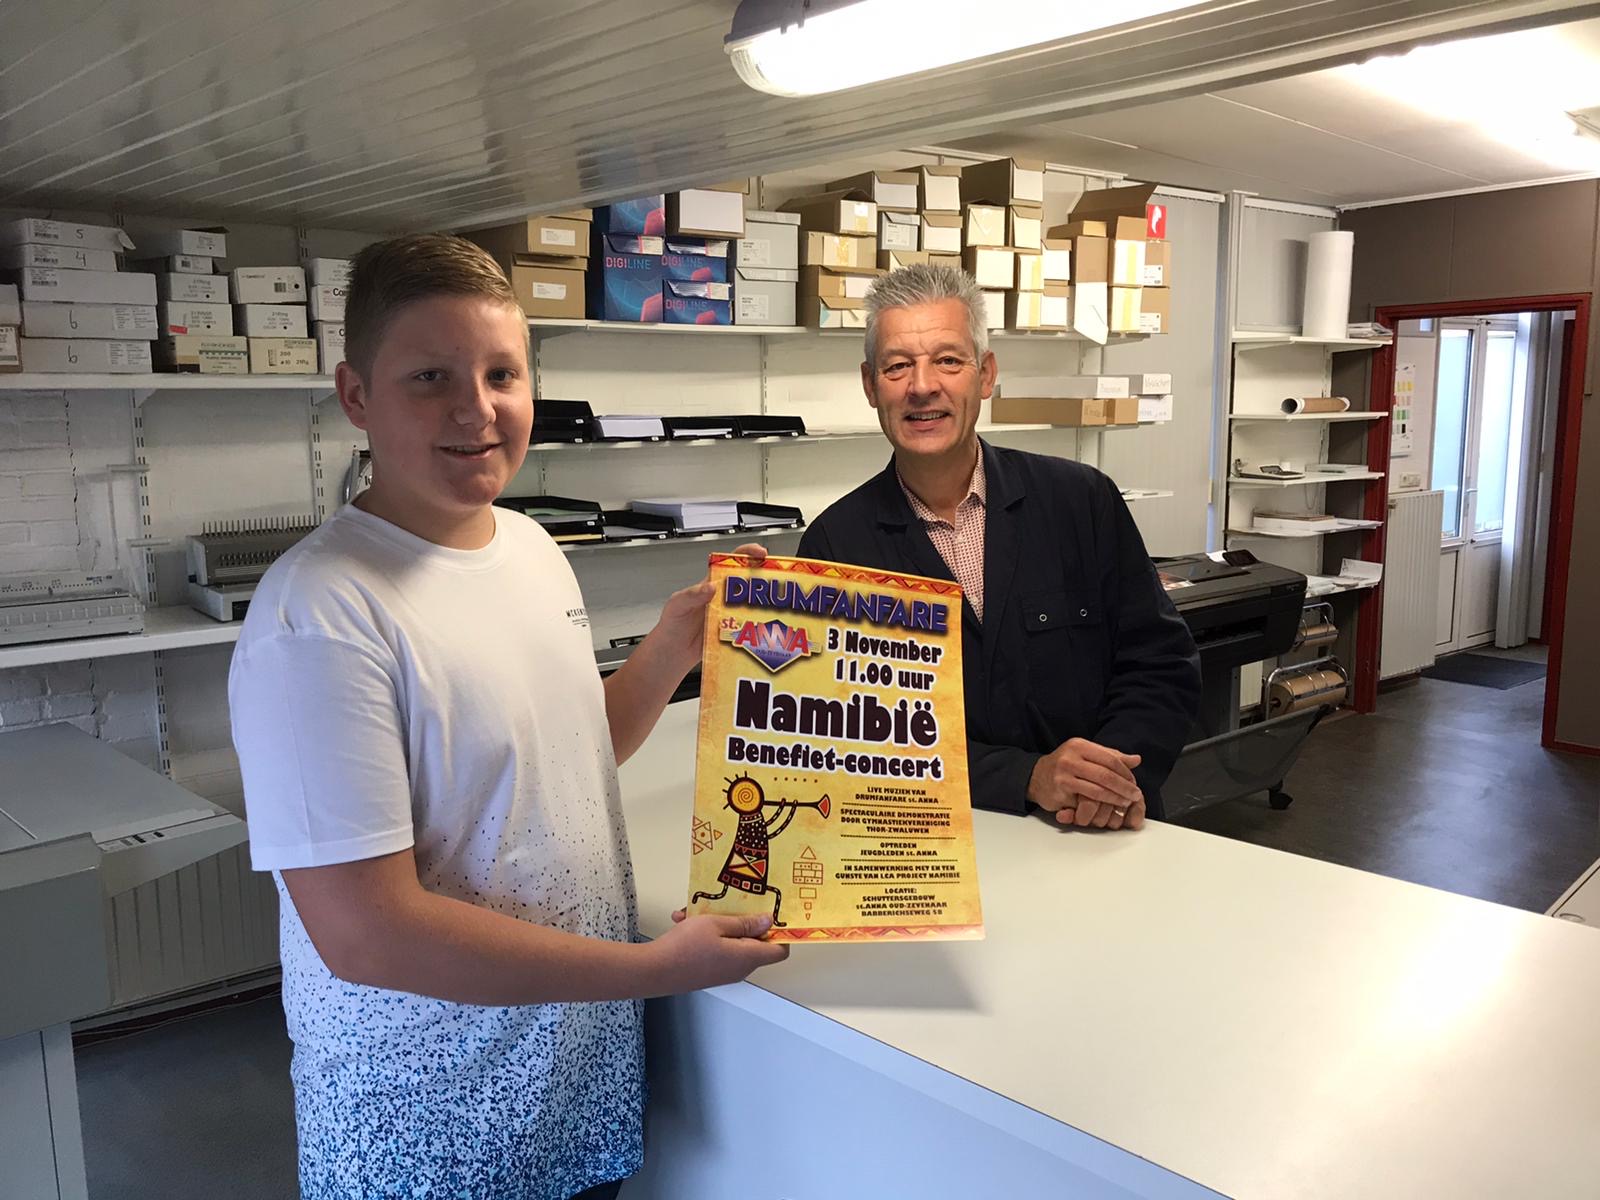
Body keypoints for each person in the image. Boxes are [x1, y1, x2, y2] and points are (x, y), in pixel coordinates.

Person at [228, 234, 787, 1200]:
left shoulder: (531, 547)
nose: (476, 409)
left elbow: (563, 755)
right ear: (355, 395)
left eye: (502, 374)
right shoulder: (318, 615)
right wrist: (653, 969)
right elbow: (367, 934)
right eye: (430, 377)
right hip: (427, 1128)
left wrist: (670, 649)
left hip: (571, 1090)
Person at [797, 263, 1200, 830]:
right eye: (897, 366)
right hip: (933, 845)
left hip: (1099, 835)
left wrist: (1105, 780)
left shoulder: (1081, 500)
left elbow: (1159, 664)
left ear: (985, 375)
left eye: (948, 360)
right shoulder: (835, 548)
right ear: (870, 385)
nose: (922, 386)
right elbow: (841, 737)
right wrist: (1025, 777)